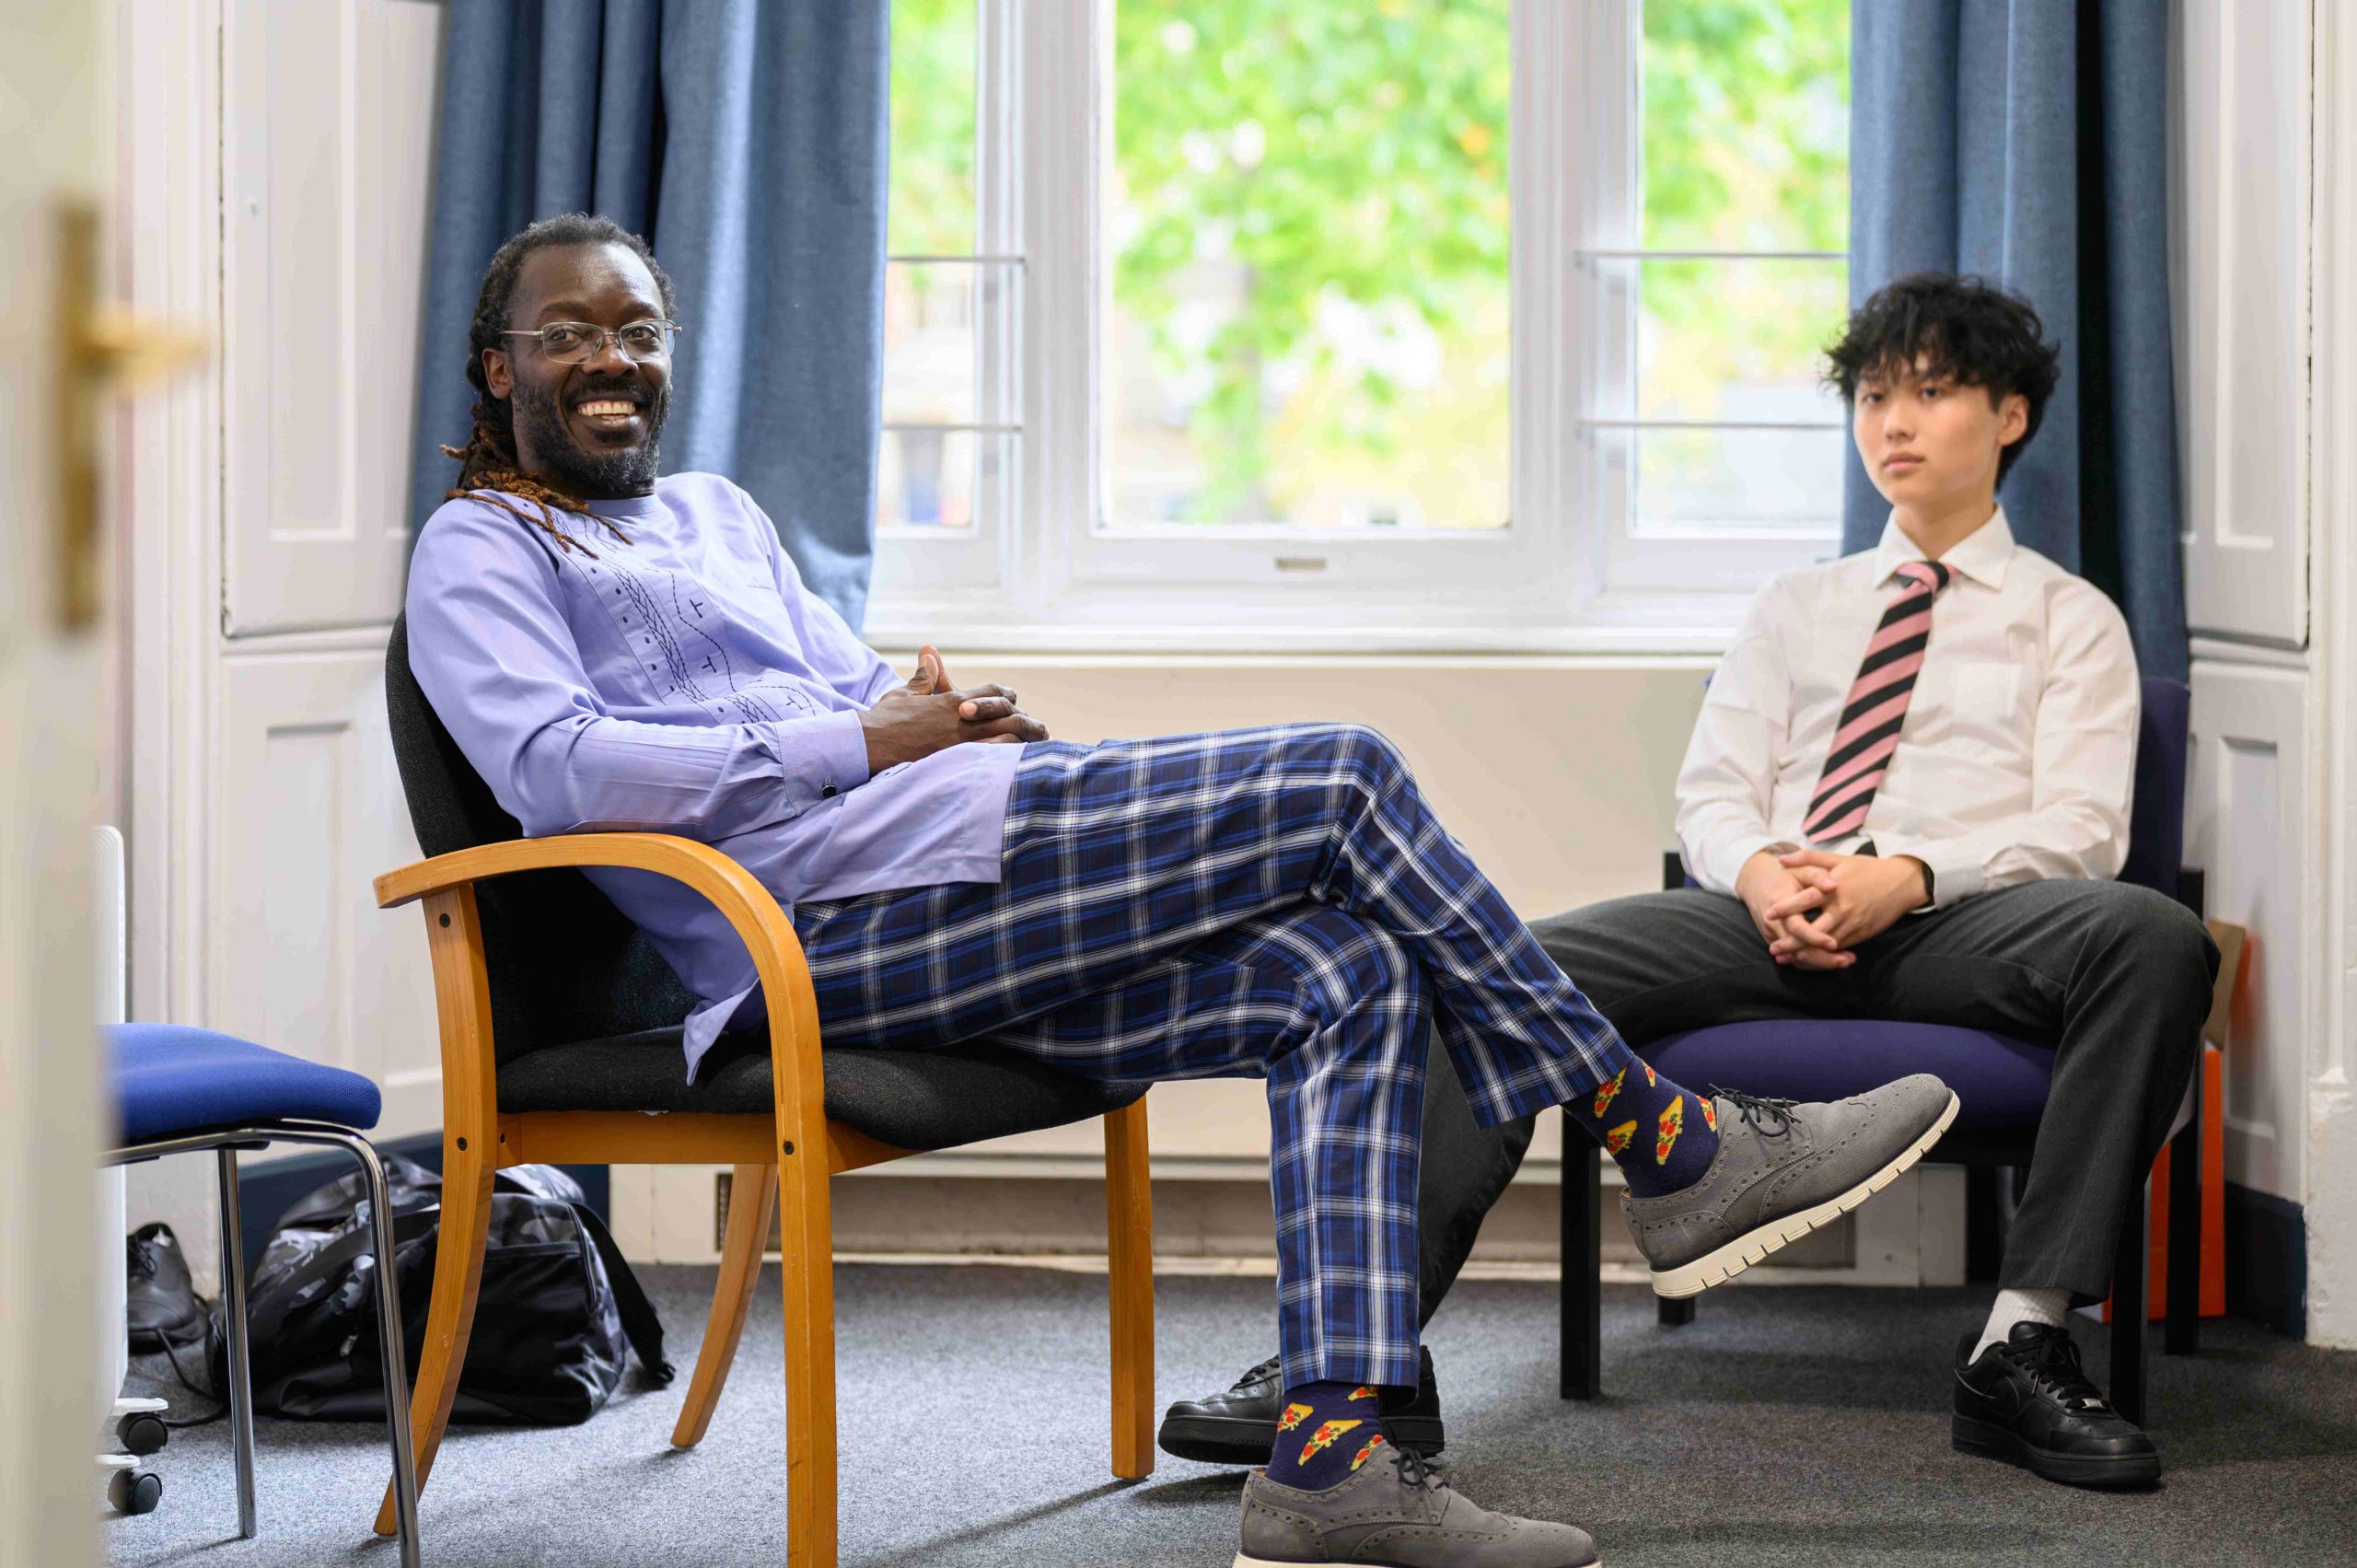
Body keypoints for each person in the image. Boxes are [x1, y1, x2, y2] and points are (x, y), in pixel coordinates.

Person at [405, 213, 1960, 1566]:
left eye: (638, 329)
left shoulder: (720, 516)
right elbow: (559, 772)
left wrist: (922, 705)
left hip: (961, 857)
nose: (610, 360)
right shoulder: (479, 551)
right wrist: (859, 735)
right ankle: (1666, 1138)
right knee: (1343, 773)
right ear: (499, 370)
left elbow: (854, 692)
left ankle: (1334, 1461)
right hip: (813, 944)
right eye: (566, 335)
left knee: (1342, 969)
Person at [1168, 272, 2218, 1493]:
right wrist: (1764, 869)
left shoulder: (2070, 619)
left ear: (2010, 417)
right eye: (1876, 395)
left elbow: (2084, 829)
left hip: (1959, 927)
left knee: (2156, 936)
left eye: (1932, 394)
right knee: (1474, 956)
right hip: (1749, 919)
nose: (1894, 423)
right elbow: (1713, 792)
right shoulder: (1800, 608)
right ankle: (1361, 1367)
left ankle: (2019, 1346)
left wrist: (1907, 876)